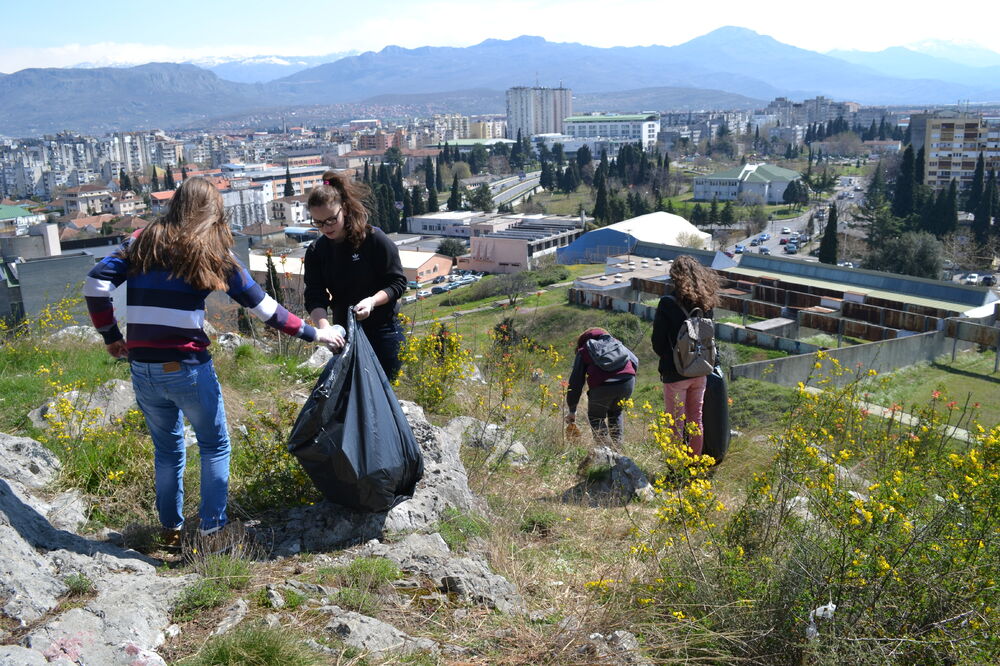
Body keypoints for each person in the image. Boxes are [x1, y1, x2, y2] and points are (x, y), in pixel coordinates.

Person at [84, 177, 341, 547]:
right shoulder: (213, 252)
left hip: (142, 367)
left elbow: (95, 285)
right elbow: (265, 309)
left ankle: (171, 531)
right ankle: (212, 531)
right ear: (213, 210)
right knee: (214, 446)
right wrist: (316, 334)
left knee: (167, 449)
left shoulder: (141, 240)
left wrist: (111, 337)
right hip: (187, 366)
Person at [303, 170, 407, 380]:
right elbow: (314, 296)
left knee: (383, 393)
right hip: (344, 332)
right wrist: (325, 330)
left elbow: (397, 283)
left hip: (383, 330)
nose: (326, 228)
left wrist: (372, 302)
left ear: (345, 209)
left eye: (331, 220)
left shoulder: (374, 240)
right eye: (319, 223)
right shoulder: (316, 251)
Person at [651, 255, 720, 457]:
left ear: (675, 276)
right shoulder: (707, 303)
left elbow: (658, 342)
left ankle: (676, 468)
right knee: (695, 419)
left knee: (675, 422)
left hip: (675, 372)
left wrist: (671, 358)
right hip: (701, 370)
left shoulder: (667, 303)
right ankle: (693, 466)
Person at [565, 328, 638, 446]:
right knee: (616, 413)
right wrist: (626, 380)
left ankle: (605, 451)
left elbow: (576, 382)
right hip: (628, 381)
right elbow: (635, 361)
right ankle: (618, 450)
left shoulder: (584, 349)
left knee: (596, 417)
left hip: (603, 387)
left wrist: (572, 409)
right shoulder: (615, 342)